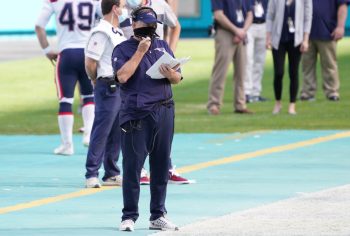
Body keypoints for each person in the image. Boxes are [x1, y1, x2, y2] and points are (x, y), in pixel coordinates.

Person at [112, 7, 180, 232]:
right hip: (137, 114)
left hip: (164, 110)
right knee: (133, 166)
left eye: (152, 26)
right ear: (134, 25)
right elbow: (122, 76)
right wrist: (140, 52)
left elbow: (178, 76)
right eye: (144, 26)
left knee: (161, 165)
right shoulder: (123, 49)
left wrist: (173, 75)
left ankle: (158, 215)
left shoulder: (162, 45)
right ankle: (129, 215)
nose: (149, 31)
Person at [123, 0, 189, 185]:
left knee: (161, 122)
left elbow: (175, 26)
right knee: (135, 119)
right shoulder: (126, 4)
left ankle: (165, 167)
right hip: (133, 60)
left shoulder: (159, 4)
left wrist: (169, 52)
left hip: (156, 62)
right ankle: (138, 169)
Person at [35, 0, 100, 155]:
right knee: (89, 96)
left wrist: (47, 49)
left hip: (67, 53)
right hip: (88, 53)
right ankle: (88, 135)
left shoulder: (54, 1)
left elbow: (39, 26)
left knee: (65, 100)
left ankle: (67, 144)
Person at [84, 0, 127, 188]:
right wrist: (95, 79)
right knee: (102, 129)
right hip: (107, 84)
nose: (125, 9)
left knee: (117, 130)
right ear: (115, 9)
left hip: (120, 85)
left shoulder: (117, 31)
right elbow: (90, 62)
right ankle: (91, 172)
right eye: (123, 6)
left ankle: (111, 172)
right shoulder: (102, 31)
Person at [208, 0, 254, 115]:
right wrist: (236, 30)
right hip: (225, 33)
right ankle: (214, 104)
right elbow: (218, 15)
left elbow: (250, 14)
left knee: (241, 71)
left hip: (242, 33)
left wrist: (242, 31)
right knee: (220, 71)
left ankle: (240, 104)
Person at [266, 0, 312, 115]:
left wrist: (305, 40)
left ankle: (292, 105)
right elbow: (270, 15)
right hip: (278, 39)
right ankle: (278, 102)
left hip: (296, 40)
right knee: (279, 72)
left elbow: (308, 17)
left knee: (293, 72)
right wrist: (268, 37)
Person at [300, 0, 348, 102]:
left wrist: (340, 27)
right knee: (306, 65)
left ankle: (332, 92)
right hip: (306, 34)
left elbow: (342, 6)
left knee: (329, 64)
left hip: (327, 32)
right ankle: (307, 93)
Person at [245, 0, 269, 103]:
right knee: (248, 59)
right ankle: (246, 92)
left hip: (263, 24)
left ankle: (256, 92)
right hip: (250, 25)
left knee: (260, 61)